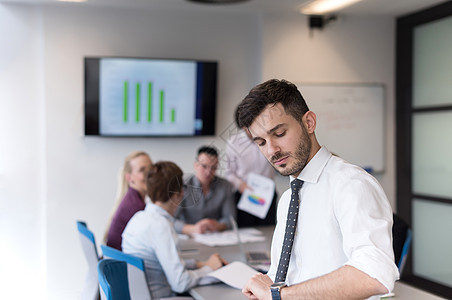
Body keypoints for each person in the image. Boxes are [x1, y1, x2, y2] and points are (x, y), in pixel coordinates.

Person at [236, 79, 399, 300]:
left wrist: (278, 295)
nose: (272, 150)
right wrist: (264, 287)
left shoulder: (350, 185)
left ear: (309, 122)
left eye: (280, 133)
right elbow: (285, 277)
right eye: (261, 142)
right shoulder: (287, 200)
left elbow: (375, 275)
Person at [122, 161, 226, 299]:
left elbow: (164, 261)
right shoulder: (160, 226)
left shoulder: (138, 218)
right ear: (178, 194)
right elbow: (180, 283)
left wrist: (199, 264)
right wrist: (209, 268)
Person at [225, 107, 277, 227]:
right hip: (245, 195)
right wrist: (240, 185)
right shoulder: (234, 142)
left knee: (268, 231)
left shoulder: (268, 138)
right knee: (246, 233)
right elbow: (229, 173)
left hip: (267, 194)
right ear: (243, 126)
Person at [174, 146, 236, 235]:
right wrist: (193, 229)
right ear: (195, 165)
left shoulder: (225, 186)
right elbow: (171, 220)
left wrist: (217, 225)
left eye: (213, 168)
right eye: (204, 166)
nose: (208, 172)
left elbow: (230, 219)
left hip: (216, 236)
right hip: (189, 236)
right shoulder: (182, 186)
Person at [104, 151, 152, 250]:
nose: (149, 174)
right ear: (129, 178)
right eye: (142, 170)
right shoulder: (135, 207)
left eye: (151, 168)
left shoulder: (131, 199)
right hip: (122, 263)